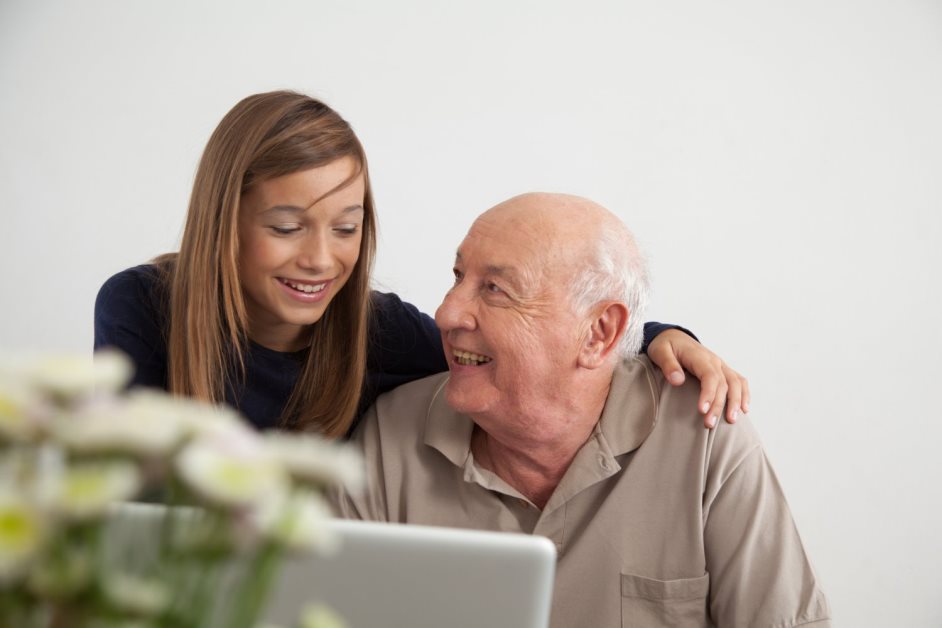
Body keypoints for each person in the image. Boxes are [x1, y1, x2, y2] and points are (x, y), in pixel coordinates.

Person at [94, 90, 748, 437]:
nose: (322, 259)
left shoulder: (373, 330)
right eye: (287, 227)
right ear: (223, 224)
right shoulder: (141, 306)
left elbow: (526, 341)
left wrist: (664, 338)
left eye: (346, 227)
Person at [331, 193, 831, 627]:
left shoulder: (701, 432)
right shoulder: (388, 437)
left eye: (495, 289)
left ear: (599, 334)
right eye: (459, 276)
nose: (446, 312)